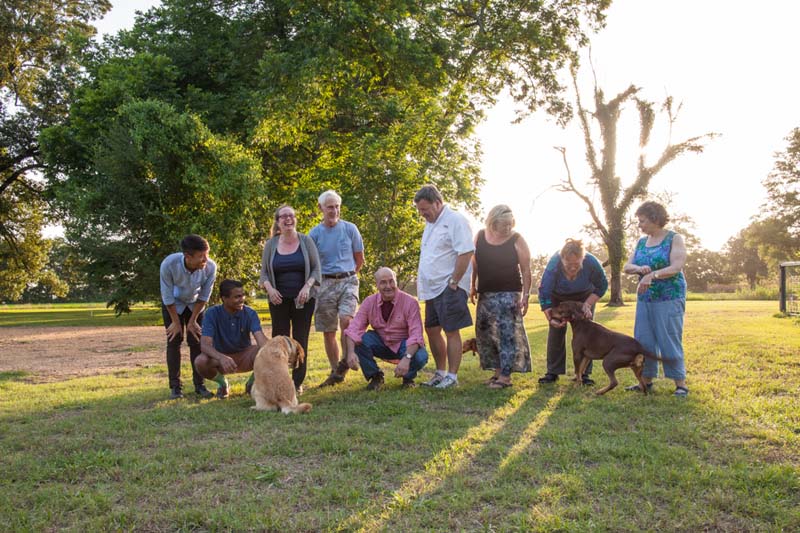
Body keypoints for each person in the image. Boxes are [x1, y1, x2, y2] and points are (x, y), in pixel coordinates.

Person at [622, 201, 689, 396]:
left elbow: (676, 266)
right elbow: (627, 266)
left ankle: (680, 384)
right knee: (644, 341)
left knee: (668, 338)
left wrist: (653, 275)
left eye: (642, 221)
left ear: (655, 219)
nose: (639, 225)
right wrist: (638, 269)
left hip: (669, 297)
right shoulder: (642, 243)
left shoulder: (674, 239)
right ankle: (646, 381)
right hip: (645, 300)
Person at [414, 184, 474, 389]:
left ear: (438, 203)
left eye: (425, 209)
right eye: (419, 210)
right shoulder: (431, 223)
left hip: (449, 286)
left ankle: (452, 376)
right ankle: (439, 373)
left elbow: (466, 251)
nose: (422, 214)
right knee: (431, 329)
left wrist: (454, 281)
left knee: (451, 330)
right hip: (432, 289)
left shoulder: (455, 220)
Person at [260, 204, 321, 394]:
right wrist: (270, 290)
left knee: (300, 339)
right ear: (278, 221)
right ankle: (280, 379)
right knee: (279, 341)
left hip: (303, 300)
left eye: (291, 216)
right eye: (284, 216)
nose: (288, 219)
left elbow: (316, 269)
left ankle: (297, 382)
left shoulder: (306, 241)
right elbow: (263, 274)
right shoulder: (270, 245)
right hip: (278, 300)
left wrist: (307, 287)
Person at [469, 205, 532, 388]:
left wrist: (526, 296)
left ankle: (505, 376)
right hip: (486, 293)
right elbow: (475, 265)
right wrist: (473, 286)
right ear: (492, 222)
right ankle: (497, 372)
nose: (507, 228)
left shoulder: (516, 239)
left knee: (507, 334)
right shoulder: (480, 236)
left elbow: (526, 269)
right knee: (487, 334)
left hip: (509, 293)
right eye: (503, 224)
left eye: (510, 224)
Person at [310, 190, 365, 388]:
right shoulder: (314, 234)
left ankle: (346, 359)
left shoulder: (350, 229)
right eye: (330, 207)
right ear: (321, 208)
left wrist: (347, 275)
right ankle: (336, 371)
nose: (334, 210)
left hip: (348, 280)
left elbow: (359, 259)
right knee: (328, 330)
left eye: (337, 206)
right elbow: (311, 264)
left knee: (347, 321)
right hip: (324, 284)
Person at [343, 267, 429, 390]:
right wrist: (350, 353)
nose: (388, 286)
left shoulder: (410, 302)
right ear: (377, 285)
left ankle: (408, 378)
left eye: (391, 281)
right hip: (381, 342)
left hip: (404, 346)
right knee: (359, 340)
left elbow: (416, 335)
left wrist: (407, 358)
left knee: (421, 356)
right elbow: (353, 329)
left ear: (396, 282)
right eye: (383, 282)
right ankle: (376, 377)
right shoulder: (369, 302)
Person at [537, 238, 608, 385]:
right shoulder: (553, 264)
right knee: (556, 332)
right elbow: (544, 292)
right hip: (558, 298)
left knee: (586, 334)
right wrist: (550, 317)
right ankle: (553, 372)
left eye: (577, 264)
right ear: (562, 259)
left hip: (584, 297)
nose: (572, 268)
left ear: (583, 259)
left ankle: (584, 374)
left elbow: (602, 285)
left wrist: (587, 305)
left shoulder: (591, 262)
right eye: (569, 264)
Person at [159, 234, 217, 399]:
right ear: (187, 256)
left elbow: (204, 296)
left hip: (195, 305)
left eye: (207, 254)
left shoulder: (211, 267)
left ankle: (200, 385)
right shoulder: (169, 264)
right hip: (173, 305)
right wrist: (176, 323)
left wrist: (192, 321)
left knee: (197, 342)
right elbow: (167, 296)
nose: (205, 259)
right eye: (201, 256)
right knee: (174, 341)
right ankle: (175, 388)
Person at [194, 279, 268, 398]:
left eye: (243, 295)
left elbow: (261, 339)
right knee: (200, 362)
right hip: (220, 358)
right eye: (237, 297)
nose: (242, 299)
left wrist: (273, 353)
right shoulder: (211, 313)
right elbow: (205, 345)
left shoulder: (250, 313)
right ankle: (223, 384)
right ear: (224, 298)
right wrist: (221, 357)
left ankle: (251, 384)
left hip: (245, 355)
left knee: (266, 352)